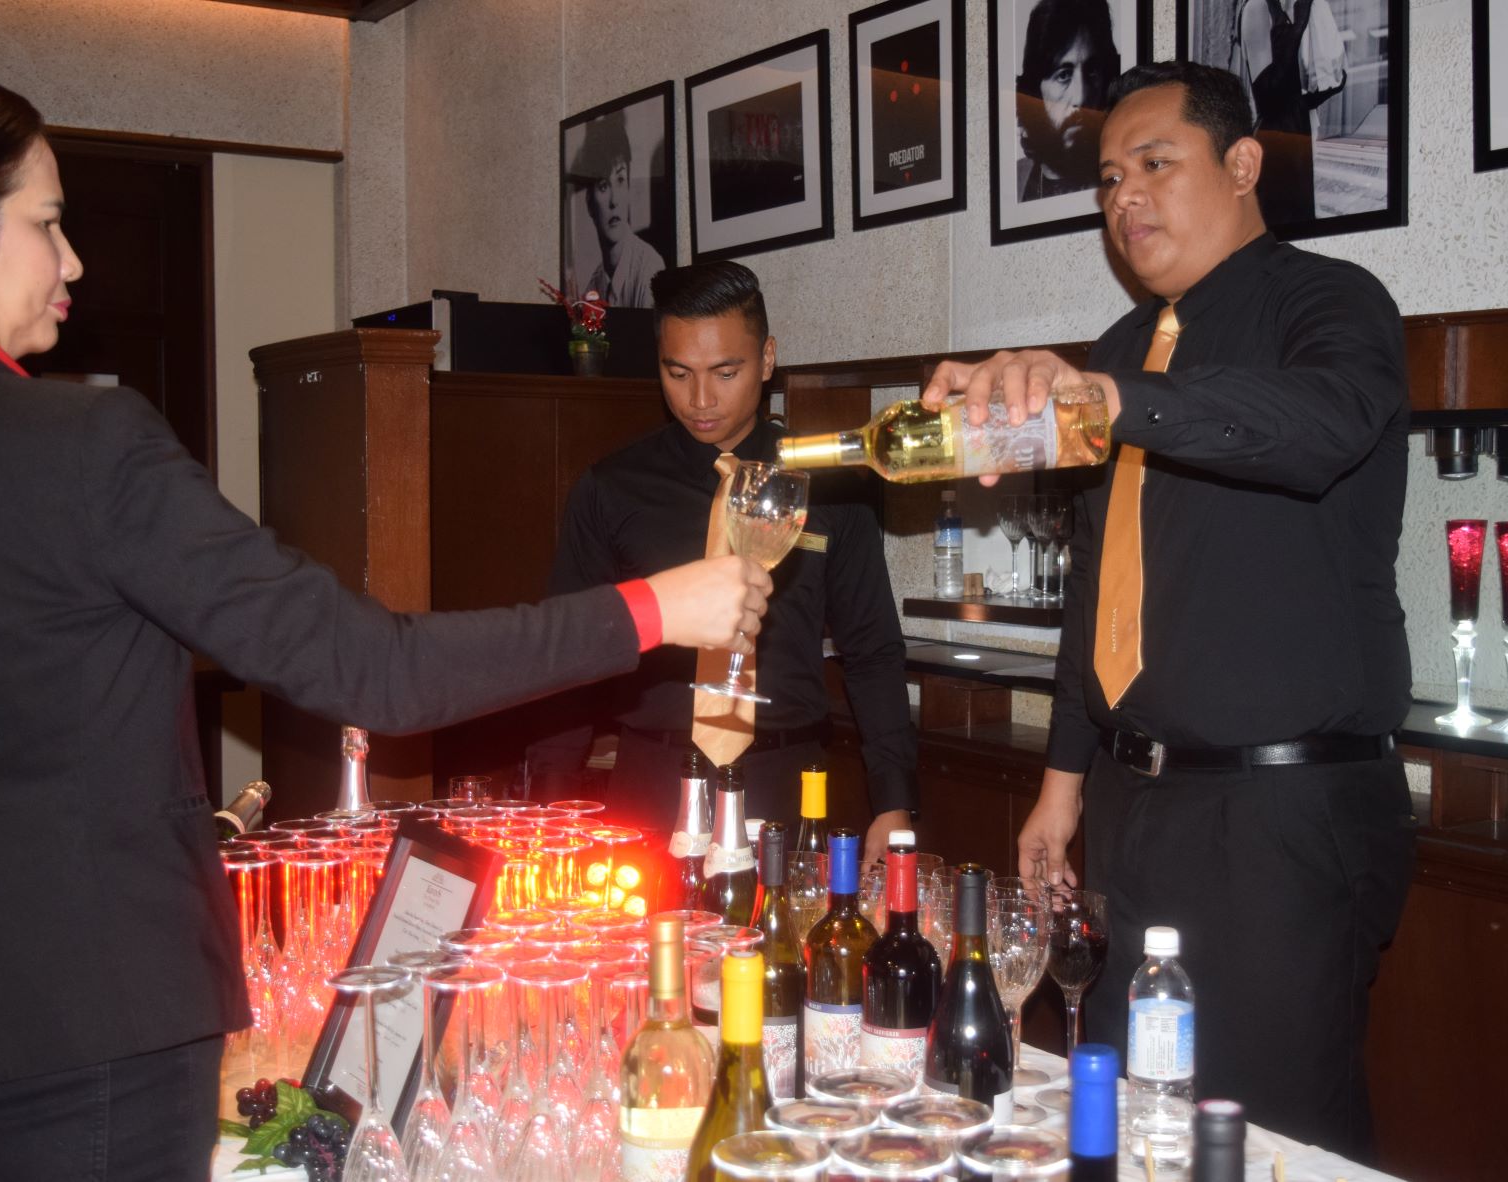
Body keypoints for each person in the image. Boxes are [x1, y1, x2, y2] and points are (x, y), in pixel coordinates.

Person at [0, 65, 770, 1182]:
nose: (74, 263)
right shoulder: (81, 446)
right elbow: (378, 670)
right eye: (49, 224)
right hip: (89, 1027)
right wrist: (658, 604)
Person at [920, 62, 1414, 1160]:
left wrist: (1112, 400)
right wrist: (1060, 791)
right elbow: (1097, 587)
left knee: (1272, 1133)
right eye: (1106, 180)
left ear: (1241, 166)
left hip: (1284, 808)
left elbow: (1319, 425)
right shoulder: (1116, 349)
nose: (1124, 199)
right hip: (1133, 807)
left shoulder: (1328, 302)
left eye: (1155, 165)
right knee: (1137, 1115)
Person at [530, 261, 917, 857]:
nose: (700, 399)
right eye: (677, 372)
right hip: (650, 782)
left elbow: (872, 652)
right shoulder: (612, 488)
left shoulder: (830, 486)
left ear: (766, 360)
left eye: (725, 372)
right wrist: (549, 807)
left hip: (787, 782)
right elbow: (570, 654)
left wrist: (894, 802)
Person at [1232, 0, 1345, 227]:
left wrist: (1330, 78)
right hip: (1274, 146)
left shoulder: (1288, 7)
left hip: (1296, 136)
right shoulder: (1257, 8)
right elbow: (1268, 96)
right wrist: (1297, 30)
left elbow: (1300, 93)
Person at [1016, 0, 1122, 200]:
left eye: (1092, 72)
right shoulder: (1015, 182)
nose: (1080, 96)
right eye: (1063, 75)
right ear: (1034, 92)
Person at [568, 107, 666, 308]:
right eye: (603, 186)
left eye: (621, 179)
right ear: (589, 203)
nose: (614, 201)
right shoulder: (593, 288)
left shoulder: (649, 268)